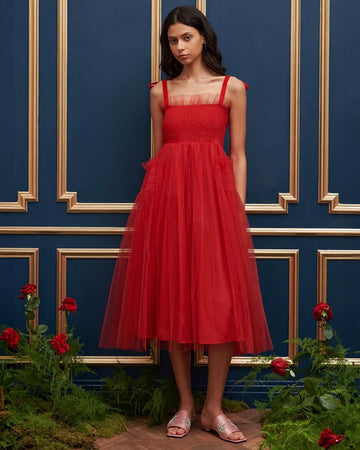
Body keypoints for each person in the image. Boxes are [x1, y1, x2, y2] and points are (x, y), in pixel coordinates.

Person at [100, 5, 272, 444]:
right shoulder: (160, 92)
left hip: (216, 208)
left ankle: (214, 410)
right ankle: (186, 404)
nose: (178, 47)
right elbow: (158, 158)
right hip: (170, 209)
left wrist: (236, 211)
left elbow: (238, 155)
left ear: (203, 38)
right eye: (172, 40)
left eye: (185, 38)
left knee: (220, 307)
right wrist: (156, 211)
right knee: (172, 303)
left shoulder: (230, 89)